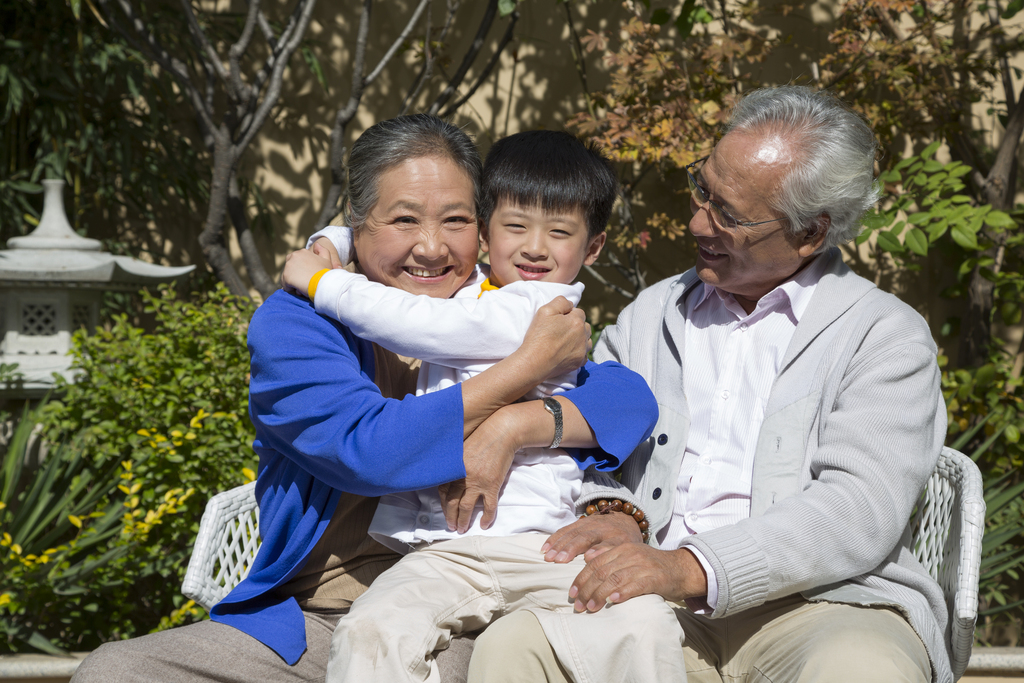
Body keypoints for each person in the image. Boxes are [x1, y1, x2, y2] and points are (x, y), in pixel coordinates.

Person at [71, 115, 658, 683]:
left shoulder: (490, 304)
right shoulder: (299, 322)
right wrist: (525, 369)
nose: (430, 248)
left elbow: (627, 401)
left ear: (480, 229)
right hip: (313, 615)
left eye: (454, 220)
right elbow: (370, 450)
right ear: (357, 224)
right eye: (403, 220)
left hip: (467, 601)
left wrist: (519, 425)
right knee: (116, 671)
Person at [468, 86, 952, 683]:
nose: (697, 220)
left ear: (810, 233)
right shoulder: (652, 314)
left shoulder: (883, 335)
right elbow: (592, 446)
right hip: (652, 602)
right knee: (516, 647)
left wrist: (689, 567)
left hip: (827, 605)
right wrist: (617, 511)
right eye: (703, 190)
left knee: (863, 670)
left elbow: (858, 510)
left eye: (730, 214)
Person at [281, 130, 685, 683]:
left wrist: (320, 277)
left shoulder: (540, 305)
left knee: (641, 621)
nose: (535, 247)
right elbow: (369, 447)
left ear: (592, 249)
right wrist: (337, 239)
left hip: (543, 545)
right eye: (515, 226)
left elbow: (417, 324)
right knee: (373, 630)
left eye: (559, 233)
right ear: (488, 229)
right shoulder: (468, 287)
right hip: (444, 554)